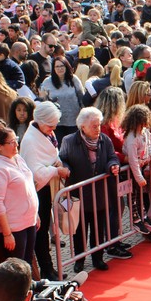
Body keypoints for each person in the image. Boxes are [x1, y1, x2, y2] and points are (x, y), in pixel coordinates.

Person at [58, 107, 121, 272]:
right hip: (78, 194)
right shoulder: (69, 141)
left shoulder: (104, 140)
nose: (97, 129)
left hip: (99, 193)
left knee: (98, 229)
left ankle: (98, 258)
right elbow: (62, 158)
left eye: (99, 125)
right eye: (94, 126)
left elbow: (112, 157)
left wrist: (112, 166)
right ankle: (79, 260)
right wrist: (65, 168)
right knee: (79, 230)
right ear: (83, 127)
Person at [21, 101, 70, 280]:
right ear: (40, 122)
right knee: (41, 233)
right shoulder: (30, 141)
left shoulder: (45, 132)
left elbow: (51, 155)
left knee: (44, 230)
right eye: (50, 125)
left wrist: (56, 164)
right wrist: (56, 170)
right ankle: (46, 269)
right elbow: (36, 172)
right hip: (38, 190)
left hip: (47, 188)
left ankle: (49, 268)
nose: (53, 129)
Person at [0, 126, 38, 265]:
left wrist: (35, 214)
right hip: (13, 228)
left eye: (16, 140)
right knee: (16, 268)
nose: (16, 145)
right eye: (11, 142)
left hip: (28, 223)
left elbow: (29, 186)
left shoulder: (18, 158)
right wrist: (7, 234)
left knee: (27, 264)